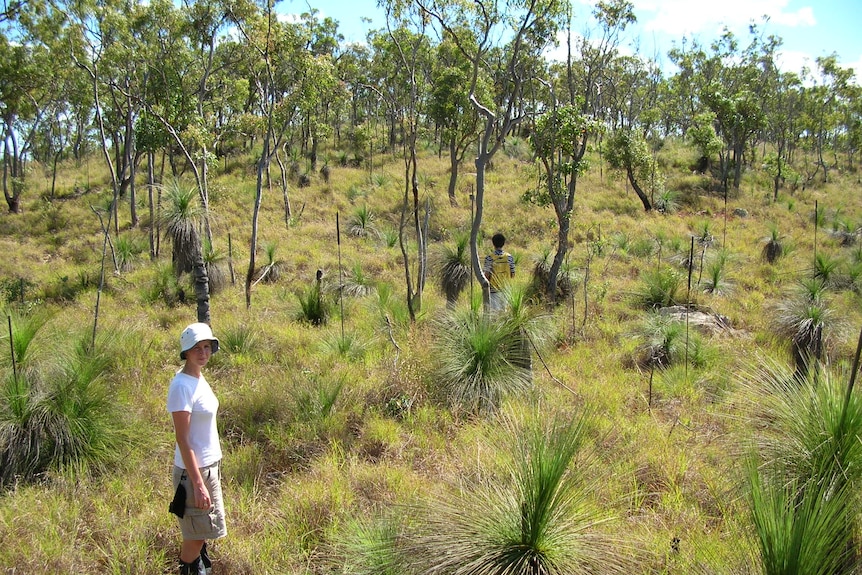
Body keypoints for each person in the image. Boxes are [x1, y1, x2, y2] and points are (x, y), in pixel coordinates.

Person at [167, 322, 227, 575]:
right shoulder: (182, 386)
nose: (203, 353)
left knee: (203, 530)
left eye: (207, 347)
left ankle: (199, 566)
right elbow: (183, 439)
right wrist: (199, 484)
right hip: (194, 472)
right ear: (186, 352)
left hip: (208, 467)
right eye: (197, 349)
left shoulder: (199, 379)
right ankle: (190, 569)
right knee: (198, 533)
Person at [483, 232, 515, 312]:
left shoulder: (489, 258)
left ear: (493, 244)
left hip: (493, 290)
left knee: (494, 314)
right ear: (503, 243)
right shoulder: (509, 257)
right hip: (505, 289)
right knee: (504, 313)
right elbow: (513, 274)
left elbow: (486, 275)